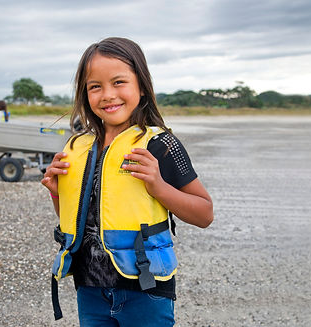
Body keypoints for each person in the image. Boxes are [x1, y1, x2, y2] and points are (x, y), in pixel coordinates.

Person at [41, 37, 213, 326]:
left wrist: (158, 185)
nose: (107, 94)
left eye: (119, 82)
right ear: (85, 93)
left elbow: (205, 213)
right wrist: (58, 194)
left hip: (146, 291)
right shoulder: (79, 147)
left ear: (142, 86)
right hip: (89, 289)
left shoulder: (161, 145)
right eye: (95, 86)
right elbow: (81, 220)